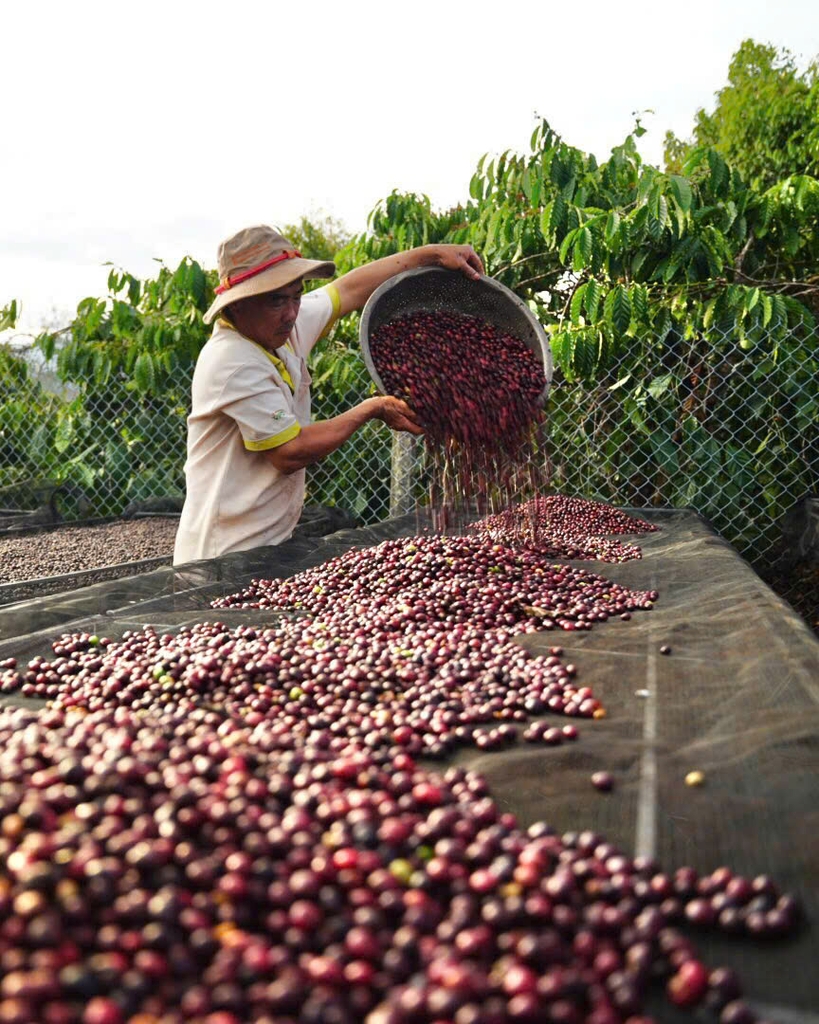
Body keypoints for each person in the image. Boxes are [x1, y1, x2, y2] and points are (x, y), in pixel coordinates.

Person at [173, 224, 484, 564]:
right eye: (277, 299)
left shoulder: (279, 326)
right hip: (223, 558)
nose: (292, 313)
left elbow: (348, 289)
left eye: (296, 295)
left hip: (269, 546)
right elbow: (289, 452)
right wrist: (371, 409)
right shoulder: (232, 360)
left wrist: (432, 254)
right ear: (238, 304)